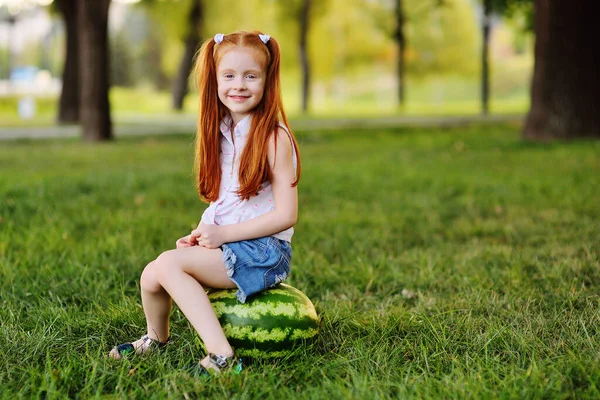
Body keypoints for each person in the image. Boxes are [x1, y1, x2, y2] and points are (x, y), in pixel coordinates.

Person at [109, 31, 302, 376]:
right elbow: (224, 201)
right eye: (228, 75)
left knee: (169, 265)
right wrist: (202, 233)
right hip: (233, 243)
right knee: (152, 274)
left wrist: (224, 235)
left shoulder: (274, 137)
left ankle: (222, 357)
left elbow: (287, 214)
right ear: (214, 80)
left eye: (250, 76)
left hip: (265, 252)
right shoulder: (224, 131)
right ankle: (155, 340)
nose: (238, 85)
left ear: (267, 81)